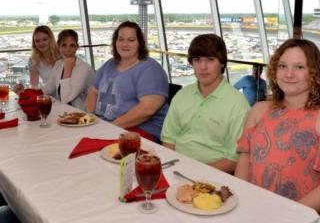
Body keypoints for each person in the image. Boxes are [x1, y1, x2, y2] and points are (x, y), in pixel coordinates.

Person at [235, 39, 320, 212]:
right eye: (282, 66)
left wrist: (286, 214)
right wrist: (241, 199)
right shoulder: (258, 110)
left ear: (315, 72)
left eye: (299, 67)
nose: (289, 74)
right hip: (250, 206)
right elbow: (244, 161)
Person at [161, 34, 250, 174]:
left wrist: (196, 172)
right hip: (176, 168)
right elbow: (169, 140)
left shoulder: (238, 104)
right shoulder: (181, 96)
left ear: (221, 63)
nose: (203, 67)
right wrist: (173, 168)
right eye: (197, 60)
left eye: (210, 59)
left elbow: (234, 159)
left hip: (215, 175)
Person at [86, 21, 169, 142]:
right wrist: (91, 117)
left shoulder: (150, 69)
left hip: (138, 131)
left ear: (140, 43)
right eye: (121, 39)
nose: (125, 44)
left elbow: (148, 109)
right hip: (105, 126)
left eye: (131, 40)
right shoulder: (109, 64)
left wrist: (110, 128)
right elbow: (93, 92)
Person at [42, 29, 95, 110]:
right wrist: (28, 92)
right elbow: (49, 87)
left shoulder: (84, 68)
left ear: (77, 47)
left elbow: (66, 98)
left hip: (82, 116)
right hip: (64, 112)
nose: (68, 49)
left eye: (72, 45)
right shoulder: (59, 64)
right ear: (58, 47)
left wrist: (68, 68)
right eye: (64, 45)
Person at [14, 25, 58, 93]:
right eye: (37, 41)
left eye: (44, 39)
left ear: (51, 39)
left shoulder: (61, 55)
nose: (41, 43)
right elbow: (34, 86)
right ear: (34, 43)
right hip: (49, 97)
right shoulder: (34, 60)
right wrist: (21, 91)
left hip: (67, 95)